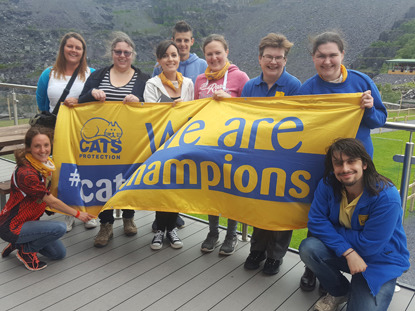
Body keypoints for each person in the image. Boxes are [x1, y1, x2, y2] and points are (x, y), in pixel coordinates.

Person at [298, 31, 388, 291]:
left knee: (354, 212)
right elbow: (295, 125)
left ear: (342, 55)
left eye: (332, 55)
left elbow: (380, 119)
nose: (327, 61)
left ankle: (348, 267)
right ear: (313, 58)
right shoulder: (307, 88)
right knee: (322, 213)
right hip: (321, 163)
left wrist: (370, 108)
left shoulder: (361, 80)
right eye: (321, 56)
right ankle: (313, 268)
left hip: (356, 164)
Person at [299, 138, 409, 311]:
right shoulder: (328, 184)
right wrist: (349, 253)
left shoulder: (387, 196)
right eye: (338, 163)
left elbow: (369, 245)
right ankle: (339, 291)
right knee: (309, 247)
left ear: (364, 163)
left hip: (380, 261)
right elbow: (316, 221)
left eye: (351, 161)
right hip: (349, 252)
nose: (345, 169)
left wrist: (333, 232)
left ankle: (364, 286)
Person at [79, 31, 150, 248]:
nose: (122, 56)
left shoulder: (144, 79)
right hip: (102, 144)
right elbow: (82, 101)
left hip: (131, 141)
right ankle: (106, 223)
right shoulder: (98, 76)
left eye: (126, 52)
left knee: (128, 178)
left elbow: (154, 108)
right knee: (104, 177)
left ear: (132, 55)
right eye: (118, 51)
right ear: (112, 53)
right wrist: (92, 94)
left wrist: (140, 101)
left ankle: (128, 217)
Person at [241, 33, 301, 275]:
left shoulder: (295, 86)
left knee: (281, 208)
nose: (273, 62)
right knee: (259, 206)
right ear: (260, 58)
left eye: (278, 57)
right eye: (269, 57)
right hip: (256, 158)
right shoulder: (249, 86)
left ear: (285, 60)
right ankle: (257, 250)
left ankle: (276, 256)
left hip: (284, 160)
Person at [0, 126, 95, 271]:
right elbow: (51, 201)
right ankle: (26, 251)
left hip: (29, 221)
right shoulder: (27, 173)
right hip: (12, 225)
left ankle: (19, 243)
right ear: (29, 148)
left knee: (58, 254)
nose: (43, 150)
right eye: (37, 146)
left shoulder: (42, 165)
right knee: (60, 227)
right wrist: (77, 214)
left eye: (46, 145)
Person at [35, 32, 96, 232]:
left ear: (83, 52)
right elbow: (43, 102)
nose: (73, 50)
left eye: (78, 48)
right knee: (63, 172)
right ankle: (69, 213)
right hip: (56, 130)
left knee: (86, 171)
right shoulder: (49, 74)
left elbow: (96, 101)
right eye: (70, 46)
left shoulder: (90, 73)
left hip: (83, 131)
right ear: (63, 49)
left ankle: (89, 212)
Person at [195, 34, 249, 255]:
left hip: (232, 144)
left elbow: (251, 110)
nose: (214, 57)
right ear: (204, 56)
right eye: (209, 54)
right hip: (207, 142)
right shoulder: (200, 80)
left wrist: (230, 99)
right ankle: (213, 232)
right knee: (212, 189)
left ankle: (231, 234)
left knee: (232, 190)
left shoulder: (240, 77)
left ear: (227, 52)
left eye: (218, 52)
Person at [151, 20, 207, 232]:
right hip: (164, 130)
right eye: (178, 41)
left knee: (179, 175)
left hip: (187, 129)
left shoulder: (201, 64)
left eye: (186, 41)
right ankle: (161, 218)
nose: (182, 45)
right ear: (172, 41)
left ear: (191, 42)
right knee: (162, 173)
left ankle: (174, 215)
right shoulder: (160, 67)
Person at [144, 40, 194, 250]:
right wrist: (170, 109)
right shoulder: (152, 84)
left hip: (181, 143)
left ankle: (171, 228)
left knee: (175, 186)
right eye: (165, 56)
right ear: (159, 60)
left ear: (179, 57)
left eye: (174, 55)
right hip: (159, 144)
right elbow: (149, 113)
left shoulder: (189, 84)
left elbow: (191, 114)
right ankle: (159, 230)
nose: (170, 59)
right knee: (160, 186)